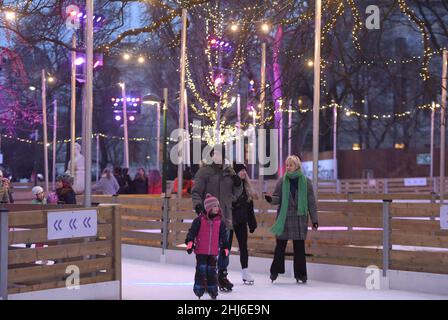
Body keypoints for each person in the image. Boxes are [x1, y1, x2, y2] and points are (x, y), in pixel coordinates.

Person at [191, 148, 243, 292]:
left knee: (224, 249)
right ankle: (207, 277)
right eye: (215, 154)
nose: (217, 156)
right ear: (211, 155)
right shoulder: (204, 172)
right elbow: (196, 192)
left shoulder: (229, 172)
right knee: (209, 250)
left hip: (225, 217)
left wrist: (238, 184)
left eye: (220, 154)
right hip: (208, 219)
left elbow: (237, 193)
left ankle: (222, 275)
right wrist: (198, 206)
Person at [264, 155, 318, 284]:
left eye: (291, 165)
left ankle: (301, 274)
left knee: (299, 248)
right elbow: (277, 198)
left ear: (297, 166)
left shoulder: (306, 182)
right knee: (280, 246)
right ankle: (274, 271)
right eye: (287, 165)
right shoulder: (282, 181)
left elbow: (311, 203)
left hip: (300, 219)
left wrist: (314, 220)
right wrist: (271, 199)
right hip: (285, 218)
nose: (288, 167)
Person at [185, 194, 230, 299]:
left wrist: (225, 248)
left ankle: (213, 291)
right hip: (201, 251)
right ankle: (199, 290)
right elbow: (192, 233)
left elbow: (224, 237)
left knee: (212, 272)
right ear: (208, 208)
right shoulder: (199, 220)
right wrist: (190, 243)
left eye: (218, 206)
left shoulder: (220, 222)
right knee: (201, 271)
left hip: (213, 252)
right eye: (214, 206)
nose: (217, 208)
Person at [232, 163, 258, 285]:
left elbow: (250, 209)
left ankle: (245, 271)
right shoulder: (230, 186)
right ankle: (221, 271)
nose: (243, 172)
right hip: (230, 221)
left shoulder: (247, 188)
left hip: (241, 221)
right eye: (241, 170)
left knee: (243, 247)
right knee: (225, 246)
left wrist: (252, 224)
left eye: (244, 170)